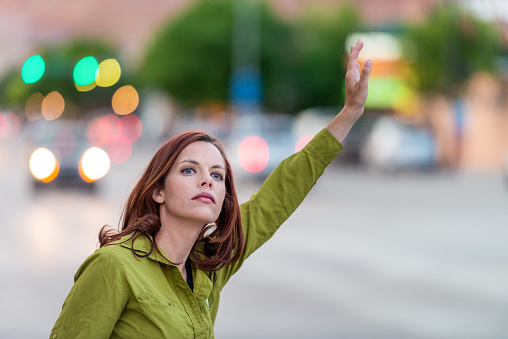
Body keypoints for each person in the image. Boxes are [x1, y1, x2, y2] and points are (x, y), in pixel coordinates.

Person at [50, 40, 372, 338]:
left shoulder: (211, 265)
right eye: (189, 170)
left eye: (218, 176)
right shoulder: (115, 266)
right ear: (158, 191)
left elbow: (279, 194)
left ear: (222, 199)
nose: (207, 181)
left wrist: (349, 114)